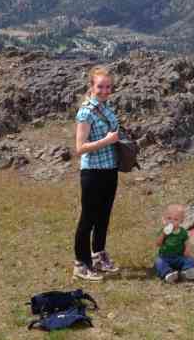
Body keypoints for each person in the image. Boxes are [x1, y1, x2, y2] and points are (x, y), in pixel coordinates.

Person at [72, 65, 121, 282]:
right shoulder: (85, 112)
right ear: (91, 86)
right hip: (92, 172)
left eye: (108, 87)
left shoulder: (107, 108)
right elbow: (80, 147)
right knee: (88, 219)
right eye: (100, 86)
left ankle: (98, 255)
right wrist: (107, 141)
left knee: (104, 216)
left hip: (110, 169)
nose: (104, 90)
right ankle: (81, 264)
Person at [154, 204, 194, 283]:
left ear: (181, 221)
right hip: (165, 257)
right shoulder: (163, 231)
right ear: (165, 219)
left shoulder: (182, 232)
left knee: (190, 260)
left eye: (175, 219)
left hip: (179, 257)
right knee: (158, 262)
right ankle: (168, 274)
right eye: (169, 218)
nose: (171, 221)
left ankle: (187, 271)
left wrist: (187, 250)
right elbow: (158, 244)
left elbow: (186, 242)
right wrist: (163, 234)